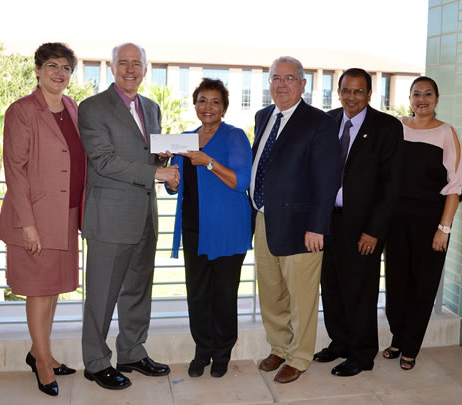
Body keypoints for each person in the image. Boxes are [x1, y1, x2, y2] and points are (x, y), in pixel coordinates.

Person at [79, 43, 179, 390]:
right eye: (124, 63)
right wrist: (156, 174)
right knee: (101, 296)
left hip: (144, 217)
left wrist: (164, 164)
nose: (130, 69)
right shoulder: (92, 108)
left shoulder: (151, 108)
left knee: (137, 291)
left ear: (146, 69)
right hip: (109, 219)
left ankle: (132, 352)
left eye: (137, 63)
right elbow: (103, 160)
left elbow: (149, 160)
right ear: (112, 67)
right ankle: (95, 362)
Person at [0, 42, 83, 396]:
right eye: (52, 65)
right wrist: (28, 224)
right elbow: (14, 170)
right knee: (38, 291)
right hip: (34, 216)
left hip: (66, 215)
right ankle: (43, 363)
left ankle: (39, 351)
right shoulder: (21, 111)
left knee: (53, 290)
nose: (59, 73)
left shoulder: (72, 107)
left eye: (65, 68)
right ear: (37, 69)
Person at [251, 56, 342, 384]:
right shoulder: (263, 116)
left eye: (289, 79)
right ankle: (279, 345)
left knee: (302, 297)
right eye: (276, 78)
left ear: (303, 85)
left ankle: (300, 356)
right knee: (271, 292)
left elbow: (328, 178)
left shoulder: (319, 122)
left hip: (303, 226)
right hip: (264, 219)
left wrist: (318, 225)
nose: (281, 84)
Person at [314, 68, 403, 377]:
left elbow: (391, 186)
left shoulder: (387, 127)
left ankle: (363, 354)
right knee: (333, 287)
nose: (351, 97)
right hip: (328, 223)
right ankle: (340, 342)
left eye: (358, 91)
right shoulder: (327, 121)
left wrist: (374, 231)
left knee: (360, 291)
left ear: (369, 94)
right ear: (338, 91)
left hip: (363, 227)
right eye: (346, 90)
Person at [164, 78, 252, 379]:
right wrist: (172, 181)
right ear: (195, 104)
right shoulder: (185, 139)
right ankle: (202, 351)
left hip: (227, 229)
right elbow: (176, 186)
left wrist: (208, 162)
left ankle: (223, 352)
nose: (208, 107)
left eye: (215, 101)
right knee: (198, 294)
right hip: (193, 229)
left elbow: (241, 182)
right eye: (203, 100)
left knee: (224, 294)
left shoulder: (235, 137)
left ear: (224, 107)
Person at [382, 76, 462, 370]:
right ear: (409, 98)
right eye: (416, 94)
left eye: (428, 94)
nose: (422, 99)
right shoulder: (397, 128)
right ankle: (398, 337)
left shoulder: (446, 133)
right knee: (396, 284)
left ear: (437, 99)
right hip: (395, 222)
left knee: (423, 285)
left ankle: (411, 346)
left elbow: (455, 186)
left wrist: (444, 229)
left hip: (430, 223)